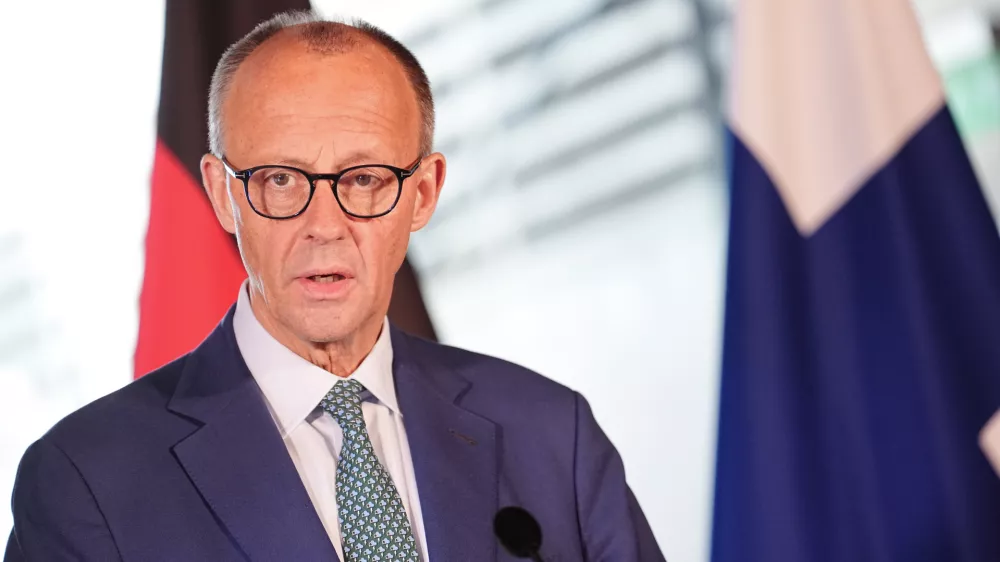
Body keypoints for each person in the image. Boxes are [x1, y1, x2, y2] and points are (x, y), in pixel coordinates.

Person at [5, 11, 664, 562]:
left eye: (366, 178)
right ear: (222, 195)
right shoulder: (85, 479)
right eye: (281, 180)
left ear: (424, 192)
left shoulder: (551, 434)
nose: (325, 226)